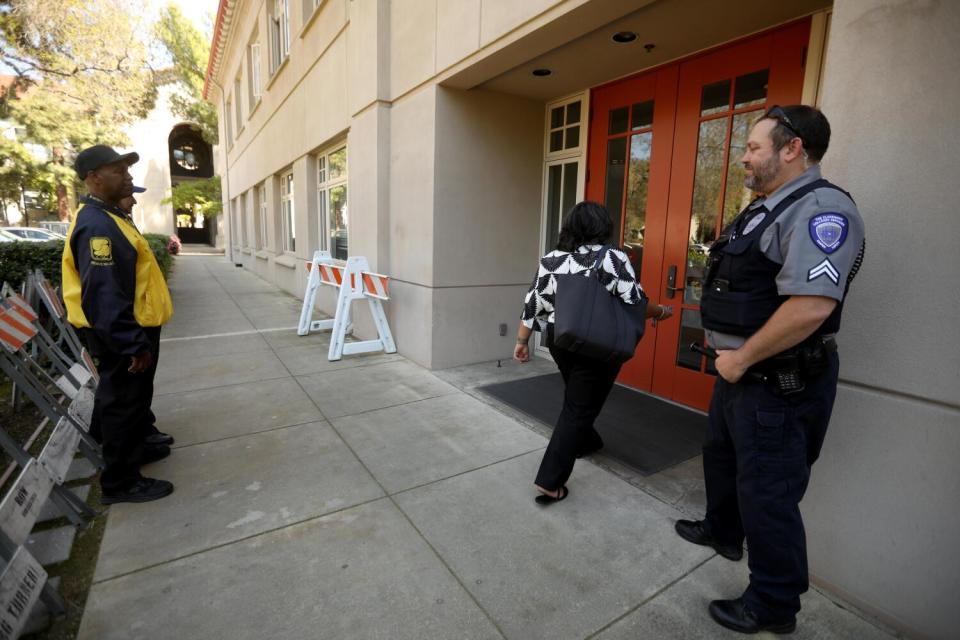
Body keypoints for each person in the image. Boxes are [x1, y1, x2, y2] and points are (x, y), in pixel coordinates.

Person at [674, 106, 865, 634]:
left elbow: (811, 306)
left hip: (778, 382)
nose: (744, 159)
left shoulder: (823, 210)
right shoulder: (765, 209)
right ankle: (721, 531)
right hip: (741, 374)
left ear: (792, 148)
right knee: (722, 457)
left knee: (769, 494)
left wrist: (740, 358)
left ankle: (774, 605)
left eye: (754, 148)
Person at [513, 201, 672, 505]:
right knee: (578, 408)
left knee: (579, 399)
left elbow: (533, 304)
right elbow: (635, 301)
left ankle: (587, 441)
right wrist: (661, 312)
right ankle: (550, 482)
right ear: (603, 227)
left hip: (561, 342)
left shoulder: (552, 260)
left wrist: (522, 341)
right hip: (597, 345)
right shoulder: (611, 258)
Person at [62, 145, 175, 504]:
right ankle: (122, 483)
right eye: (118, 170)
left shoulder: (108, 218)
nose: (128, 176)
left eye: (127, 170)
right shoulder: (97, 227)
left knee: (133, 398)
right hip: (121, 333)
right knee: (122, 404)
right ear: (94, 179)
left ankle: (136, 449)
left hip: (131, 328)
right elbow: (105, 295)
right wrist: (132, 345)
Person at [116, 187, 174, 449]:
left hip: (145, 319)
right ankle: (125, 473)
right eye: (129, 194)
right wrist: (131, 340)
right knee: (128, 392)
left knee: (140, 388)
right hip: (134, 324)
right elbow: (109, 291)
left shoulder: (122, 222)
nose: (134, 199)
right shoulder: (104, 226)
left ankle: (144, 431)